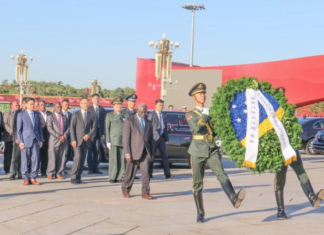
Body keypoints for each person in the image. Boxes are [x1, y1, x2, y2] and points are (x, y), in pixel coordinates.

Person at [186, 83, 246, 223]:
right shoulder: (190, 114)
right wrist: (206, 116)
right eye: (200, 94)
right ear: (194, 97)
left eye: (204, 93)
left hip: (212, 149)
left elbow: (217, 130)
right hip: (198, 150)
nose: (203, 95)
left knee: (221, 174)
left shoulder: (210, 112)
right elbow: (197, 128)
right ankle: (200, 212)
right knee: (197, 183)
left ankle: (233, 198)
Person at [122, 103, 154, 199]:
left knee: (146, 173)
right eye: (142, 112)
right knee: (130, 173)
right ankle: (126, 189)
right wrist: (127, 153)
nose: (144, 114)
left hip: (145, 152)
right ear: (138, 110)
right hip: (133, 151)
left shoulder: (148, 122)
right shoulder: (130, 121)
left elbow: (151, 139)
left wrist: (151, 153)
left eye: (145, 112)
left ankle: (145, 193)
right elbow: (125, 138)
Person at [69, 97, 96, 184]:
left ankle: (79, 177)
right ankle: (73, 177)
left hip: (86, 141)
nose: (86, 105)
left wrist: (88, 135)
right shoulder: (76, 114)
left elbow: (94, 127)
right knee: (78, 157)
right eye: (83, 103)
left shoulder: (91, 114)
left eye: (87, 103)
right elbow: (72, 128)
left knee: (82, 159)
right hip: (77, 141)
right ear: (80, 104)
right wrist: (73, 139)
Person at [17, 97, 43, 185]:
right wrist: (21, 141)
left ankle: (33, 177)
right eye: (31, 104)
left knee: (35, 159)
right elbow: (19, 130)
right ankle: (25, 177)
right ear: (26, 104)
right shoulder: (21, 114)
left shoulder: (37, 114)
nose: (33, 106)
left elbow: (39, 129)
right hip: (25, 140)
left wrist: (41, 140)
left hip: (36, 140)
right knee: (25, 159)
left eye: (33, 104)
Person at [148, 99, 174, 179]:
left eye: (162, 105)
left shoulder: (163, 115)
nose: (161, 107)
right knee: (151, 156)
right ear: (155, 105)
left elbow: (165, 127)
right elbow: (148, 127)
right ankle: (149, 173)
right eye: (160, 105)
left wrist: (166, 138)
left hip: (162, 138)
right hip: (154, 139)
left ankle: (167, 173)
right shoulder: (151, 114)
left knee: (165, 156)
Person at [46, 102, 70, 179]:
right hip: (54, 140)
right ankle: (50, 173)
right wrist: (59, 136)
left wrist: (64, 136)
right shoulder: (50, 117)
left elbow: (68, 128)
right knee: (52, 158)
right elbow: (49, 128)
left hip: (63, 140)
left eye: (60, 107)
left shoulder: (64, 117)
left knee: (62, 157)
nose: (59, 108)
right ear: (54, 108)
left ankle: (59, 173)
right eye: (57, 107)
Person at [105, 97, 126, 183]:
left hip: (122, 140)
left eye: (120, 104)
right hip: (113, 140)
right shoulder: (109, 115)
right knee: (113, 160)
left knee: (121, 160)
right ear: (113, 106)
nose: (119, 106)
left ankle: (120, 176)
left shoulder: (125, 115)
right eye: (117, 105)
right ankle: (112, 177)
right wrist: (107, 141)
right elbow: (107, 129)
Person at [87, 94, 106, 174]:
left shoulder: (102, 110)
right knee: (89, 151)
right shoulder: (89, 109)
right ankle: (90, 168)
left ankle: (96, 168)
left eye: (98, 99)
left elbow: (104, 122)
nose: (97, 100)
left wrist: (103, 133)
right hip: (90, 133)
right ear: (92, 99)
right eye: (95, 99)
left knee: (97, 151)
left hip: (99, 133)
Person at [10, 97, 27, 180]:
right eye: (24, 103)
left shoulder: (29, 112)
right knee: (15, 157)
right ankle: (13, 173)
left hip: (26, 138)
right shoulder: (18, 112)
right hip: (18, 138)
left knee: (23, 157)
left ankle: (20, 173)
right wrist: (16, 137)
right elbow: (15, 126)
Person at [2, 101, 19, 174]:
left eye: (18, 105)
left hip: (18, 137)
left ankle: (15, 169)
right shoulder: (6, 114)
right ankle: (7, 168)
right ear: (11, 106)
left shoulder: (20, 114)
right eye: (16, 105)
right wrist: (12, 131)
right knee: (8, 154)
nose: (17, 106)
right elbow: (4, 124)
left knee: (16, 154)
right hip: (9, 137)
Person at [38, 99, 52, 176]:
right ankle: (35, 171)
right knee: (38, 156)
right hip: (40, 138)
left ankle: (44, 171)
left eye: (44, 105)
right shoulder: (36, 114)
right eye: (41, 105)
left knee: (46, 156)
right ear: (39, 106)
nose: (43, 106)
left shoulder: (50, 114)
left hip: (48, 138)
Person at [61, 99, 72, 171]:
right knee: (60, 153)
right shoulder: (58, 113)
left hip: (67, 137)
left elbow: (71, 126)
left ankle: (63, 167)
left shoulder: (70, 114)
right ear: (62, 104)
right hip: (59, 137)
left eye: (67, 105)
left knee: (66, 152)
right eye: (65, 104)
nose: (67, 106)